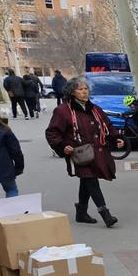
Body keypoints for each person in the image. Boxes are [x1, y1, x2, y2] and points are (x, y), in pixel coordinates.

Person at [45, 75, 122, 227]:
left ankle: (81, 211)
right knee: (91, 180)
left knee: (87, 180)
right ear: (72, 92)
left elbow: (108, 126)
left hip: (97, 152)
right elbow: (52, 132)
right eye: (80, 89)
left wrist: (116, 138)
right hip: (79, 153)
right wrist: (61, 146)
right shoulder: (63, 111)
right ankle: (105, 214)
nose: (84, 92)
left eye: (86, 89)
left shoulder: (95, 109)